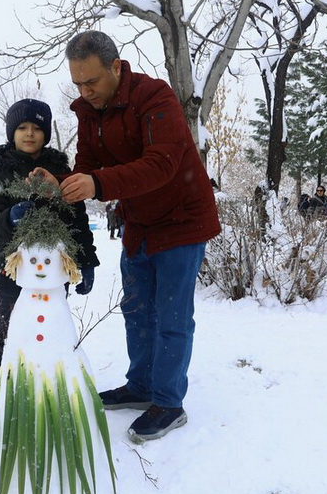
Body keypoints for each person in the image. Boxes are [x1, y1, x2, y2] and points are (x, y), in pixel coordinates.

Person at [32, 30, 221, 443]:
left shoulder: (155, 98)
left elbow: (162, 164)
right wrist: (59, 182)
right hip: (140, 223)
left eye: (92, 82)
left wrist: (97, 184)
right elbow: (88, 166)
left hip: (182, 220)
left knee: (171, 316)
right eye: (77, 83)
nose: (85, 91)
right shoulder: (89, 111)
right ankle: (141, 386)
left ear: (116, 67)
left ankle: (169, 402)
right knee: (136, 309)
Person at [0, 98, 100, 389]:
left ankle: (44, 387)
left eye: (36, 127)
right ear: (12, 132)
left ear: (45, 133)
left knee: (49, 328)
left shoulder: (60, 172)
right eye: (22, 127)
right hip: (14, 272)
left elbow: (77, 220)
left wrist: (86, 260)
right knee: (8, 332)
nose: (30, 133)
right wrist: (10, 217)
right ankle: (0, 392)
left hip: (56, 272)